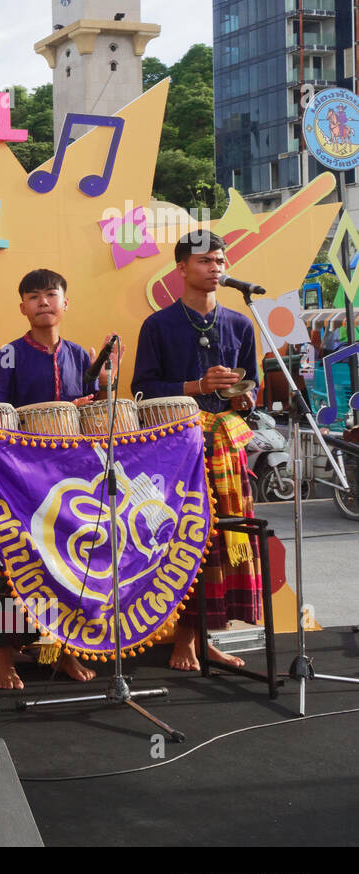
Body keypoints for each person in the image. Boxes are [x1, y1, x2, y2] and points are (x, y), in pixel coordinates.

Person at [0, 268, 115, 689]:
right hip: (22, 481)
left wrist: (106, 388)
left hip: (73, 480)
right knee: (15, 570)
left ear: (64, 302)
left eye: (51, 295)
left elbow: (97, 417)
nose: (43, 302)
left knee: (72, 565)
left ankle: (68, 652)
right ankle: (4, 659)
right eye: (33, 297)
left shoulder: (80, 356)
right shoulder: (9, 355)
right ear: (22, 307)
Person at [133, 230, 261, 671]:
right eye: (206, 261)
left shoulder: (241, 323)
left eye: (221, 261)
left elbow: (252, 386)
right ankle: (181, 641)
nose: (216, 268)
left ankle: (203, 638)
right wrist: (197, 387)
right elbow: (142, 390)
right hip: (176, 447)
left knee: (221, 543)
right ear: (181, 268)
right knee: (185, 539)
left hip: (225, 443)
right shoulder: (158, 325)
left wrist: (244, 398)